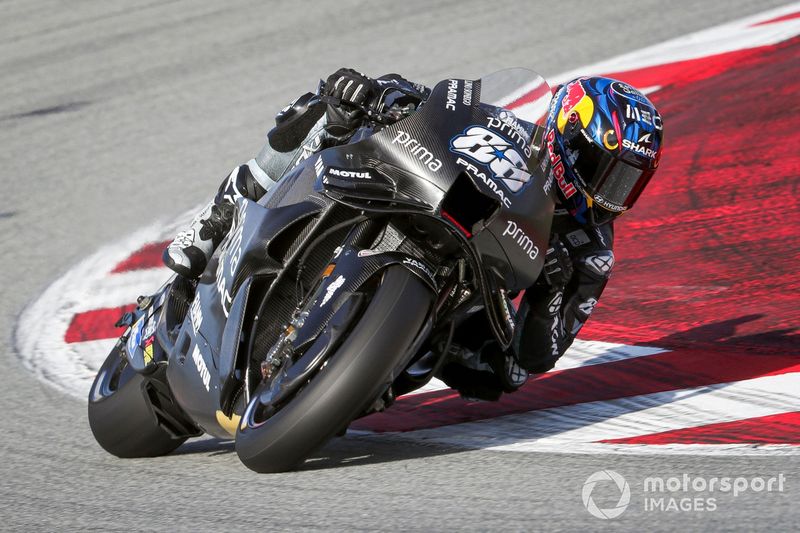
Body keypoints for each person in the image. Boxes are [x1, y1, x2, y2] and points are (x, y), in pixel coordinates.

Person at [163, 68, 664, 400]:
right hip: (421, 201)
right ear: (568, 137)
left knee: (500, 375)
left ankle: (363, 372)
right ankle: (214, 224)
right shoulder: (511, 127)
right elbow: (439, 109)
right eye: (604, 170)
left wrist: (550, 292)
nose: (610, 193)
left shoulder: (591, 253)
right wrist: (384, 94)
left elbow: (536, 358)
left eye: (627, 181)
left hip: (472, 294)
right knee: (328, 106)